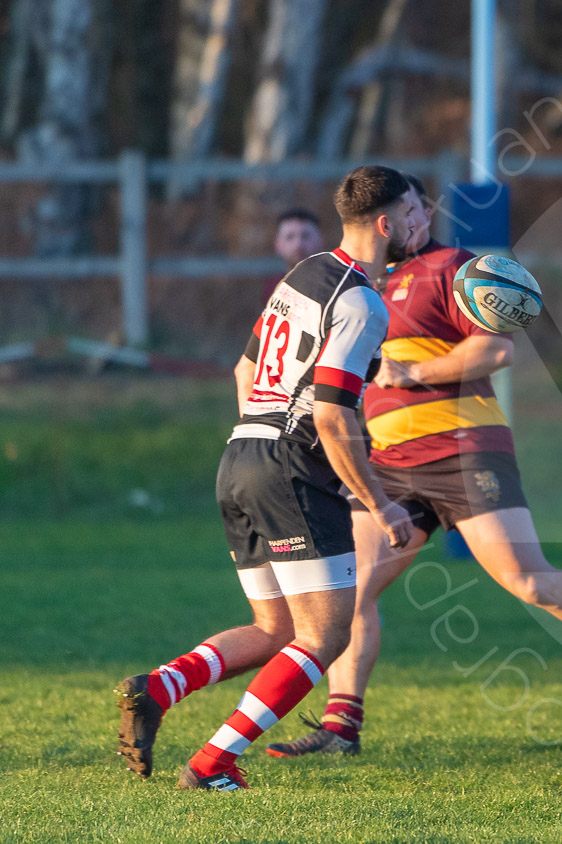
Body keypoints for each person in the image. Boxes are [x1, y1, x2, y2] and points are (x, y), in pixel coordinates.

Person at [261, 174, 562, 760]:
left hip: (463, 451)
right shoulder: (361, 283)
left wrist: (415, 372)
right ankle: (342, 728)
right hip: (390, 462)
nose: (413, 219)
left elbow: (497, 349)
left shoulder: (455, 269)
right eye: (404, 210)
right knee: (352, 591)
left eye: (418, 208)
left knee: (529, 582)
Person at [114, 165, 417, 792]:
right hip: (289, 468)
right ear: (387, 224)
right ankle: (212, 763)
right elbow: (332, 415)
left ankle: (158, 688)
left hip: (241, 454)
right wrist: (380, 503)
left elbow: (243, 371)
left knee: (275, 629)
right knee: (325, 635)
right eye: (414, 212)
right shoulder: (362, 302)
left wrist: (264, 437)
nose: (422, 222)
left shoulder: (302, 274)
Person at [263, 208, 326, 302]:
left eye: (306, 236)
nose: (298, 244)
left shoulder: (334, 284)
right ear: (277, 244)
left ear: (320, 240)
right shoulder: (272, 289)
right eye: (290, 237)